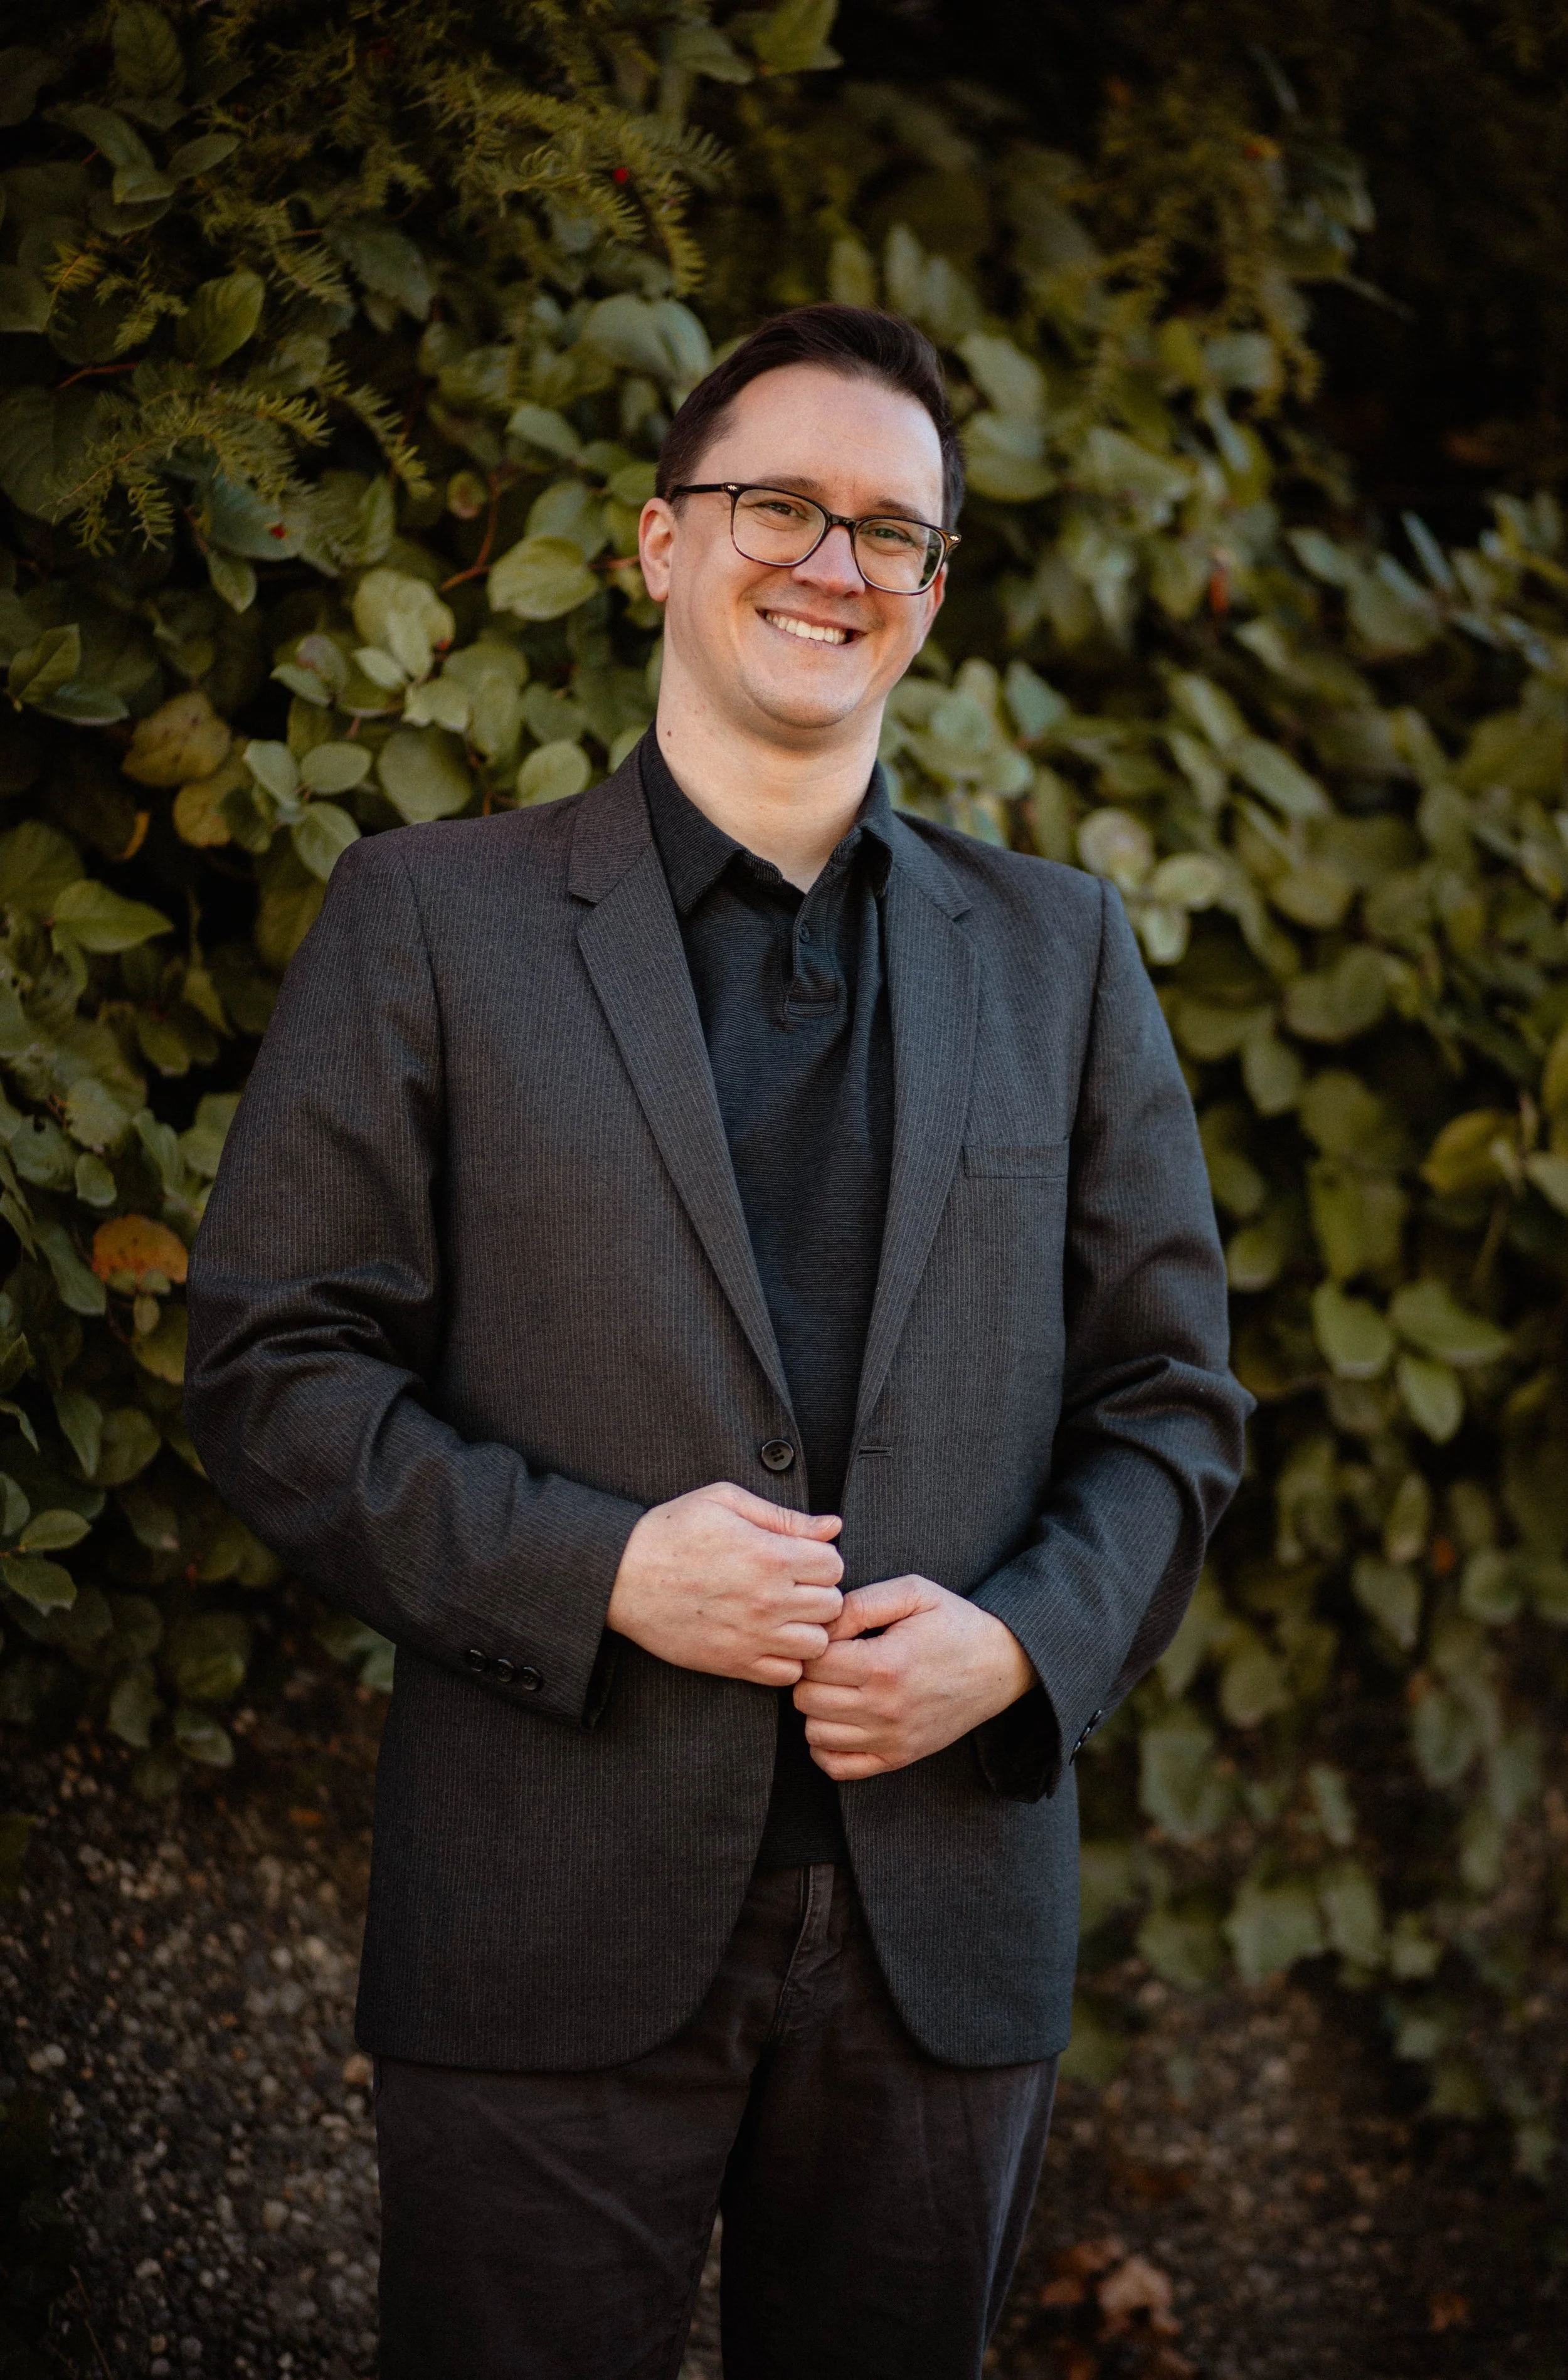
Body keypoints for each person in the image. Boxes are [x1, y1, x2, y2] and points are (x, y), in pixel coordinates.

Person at [185, 302, 1249, 2380]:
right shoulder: (428, 916)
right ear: (659, 542)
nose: (833, 565)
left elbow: (1167, 1403)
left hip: (943, 1928)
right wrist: (599, 1573)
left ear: (931, 599)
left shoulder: (1061, 952)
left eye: (891, 534)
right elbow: (273, 1363)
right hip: (542, 1918)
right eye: (782, 503)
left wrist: (1024, 1642)